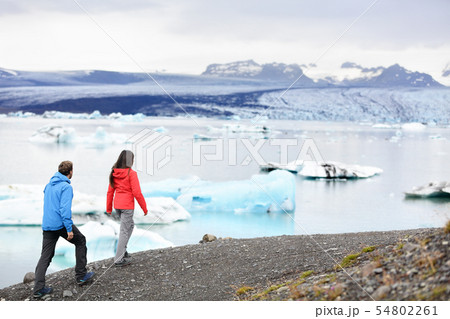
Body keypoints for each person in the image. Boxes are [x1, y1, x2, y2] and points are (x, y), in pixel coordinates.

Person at [33, 161, 95, 298]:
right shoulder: (66, 187)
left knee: (45, 256)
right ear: (70, 171)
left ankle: (38, 288)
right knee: (81, 241)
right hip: (60, 224)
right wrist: (69, 229)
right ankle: (81, 275)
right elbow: (64, 209)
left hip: (47, 225)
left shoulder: (48, 185)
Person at [106, 150, 148, 267]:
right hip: (127, 206)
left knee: (130, 225)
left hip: (118, 206)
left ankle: (123, 250)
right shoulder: (131, 173)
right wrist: (144, 208)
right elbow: (137, 193)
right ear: (130, 161)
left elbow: (110, 192)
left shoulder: (114, 172)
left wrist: (109, 208)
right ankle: (118, 259)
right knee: (124, 231)